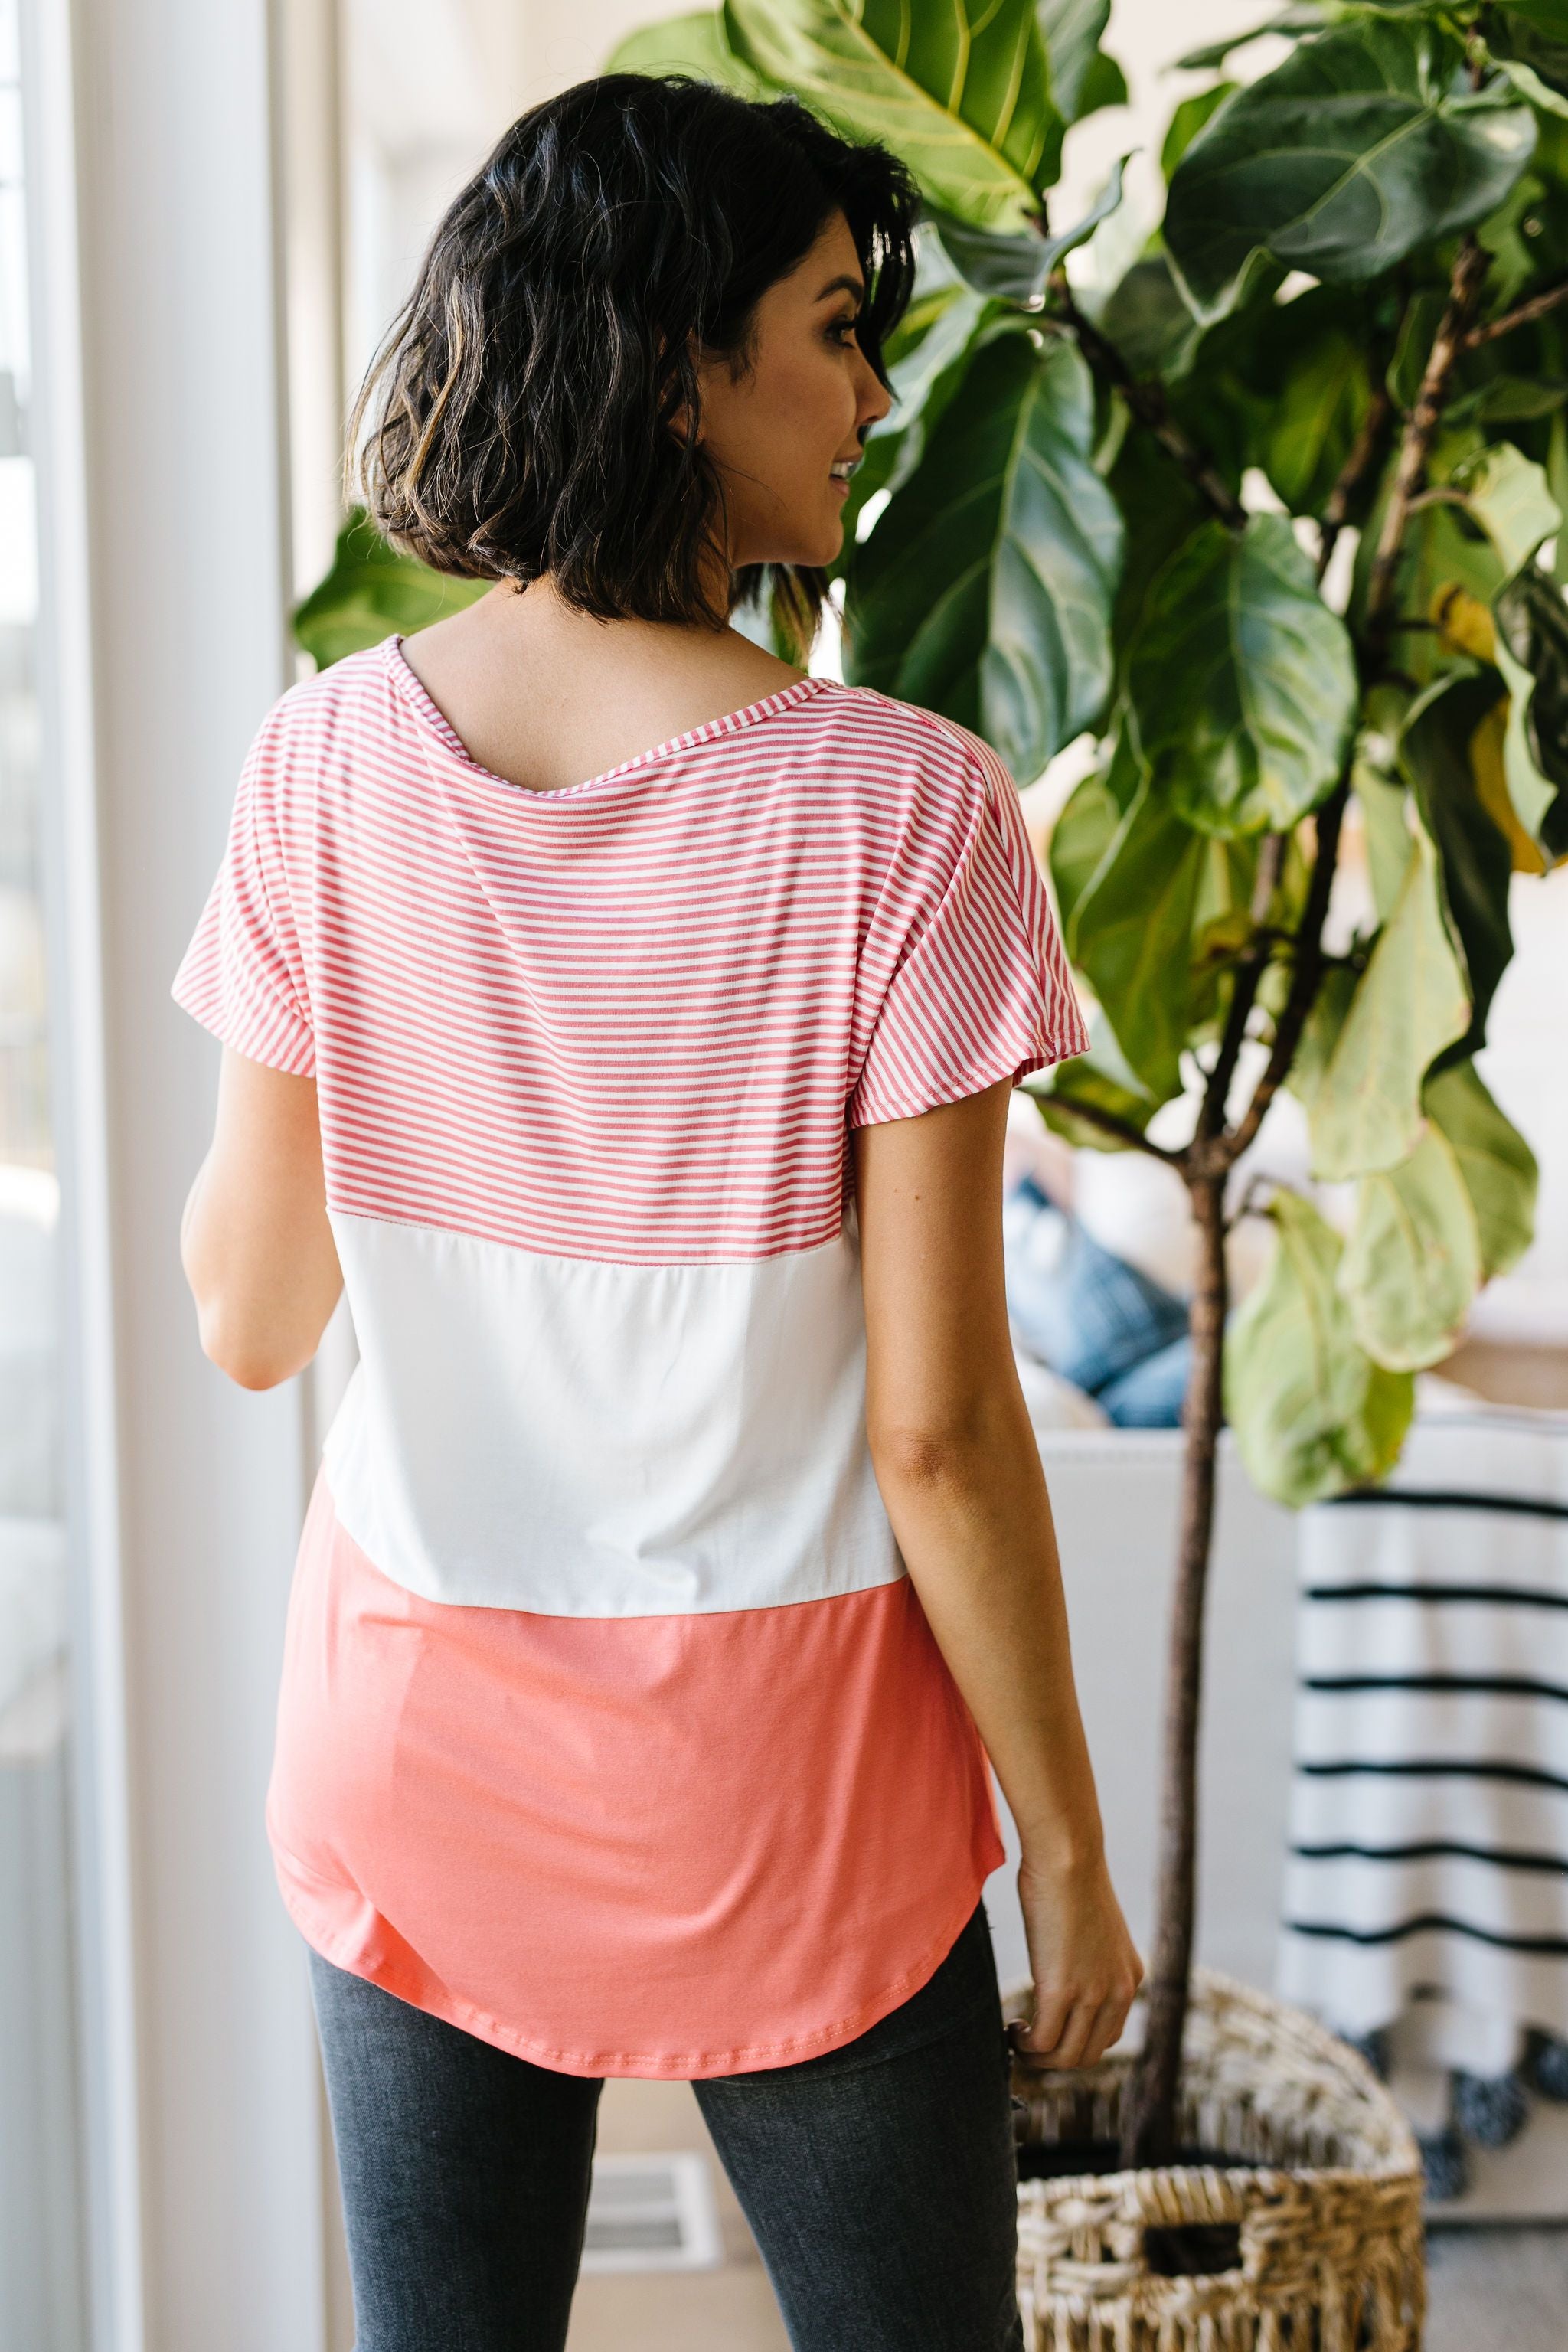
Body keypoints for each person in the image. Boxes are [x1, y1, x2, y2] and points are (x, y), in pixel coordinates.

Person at [174, 73, 1141, 2352]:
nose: (877, 389)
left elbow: (250, 1312)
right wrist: (1075, 1855)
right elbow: (938, 1429)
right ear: (683, 366)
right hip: (791, 1794)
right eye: (831, 325)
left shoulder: (322, 761)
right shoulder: (910, 815)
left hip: (418, 1747)